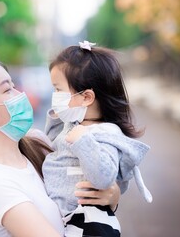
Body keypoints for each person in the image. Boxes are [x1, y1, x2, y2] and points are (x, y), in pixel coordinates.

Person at [0, 57, 121, 237]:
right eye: (7, 89)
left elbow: (82, 196)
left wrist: (112, 196)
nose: (20, 94)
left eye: (14, 85)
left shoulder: (38, 144)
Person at [42, 41, 153, 237]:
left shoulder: (105, 133)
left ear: (86, 97)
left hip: (87, 223)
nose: (55, 96)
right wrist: (57, 116)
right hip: (66, 218)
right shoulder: (75, 123)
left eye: (58, 90)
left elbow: (104, 176)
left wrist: (82, 142)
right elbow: (52, 145)